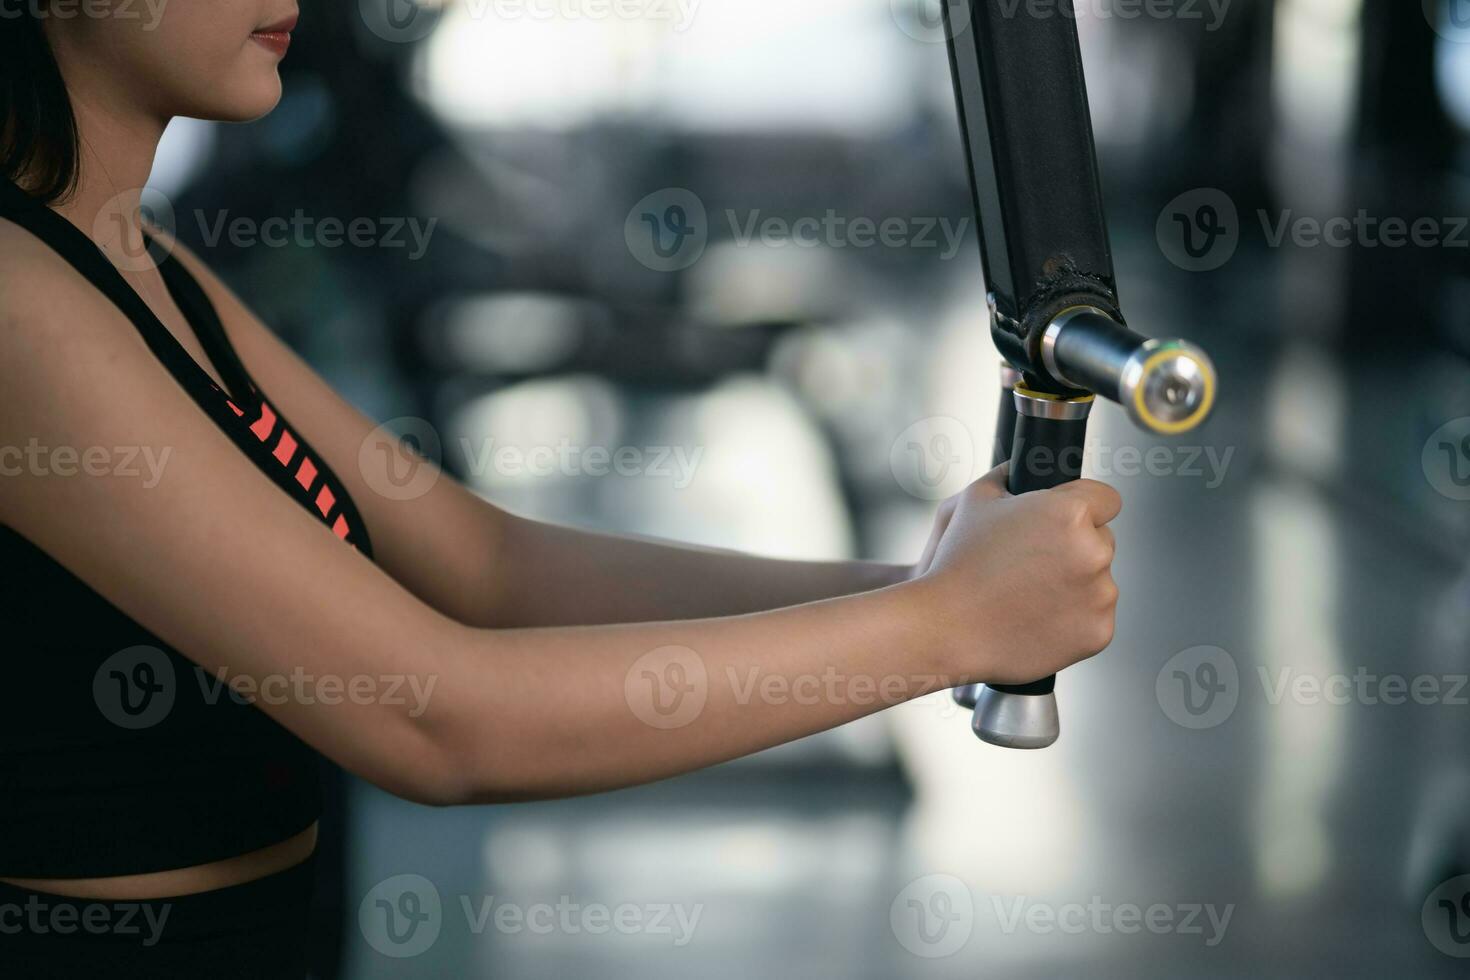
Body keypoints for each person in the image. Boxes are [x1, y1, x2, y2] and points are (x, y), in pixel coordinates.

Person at [0, 4, 1120, 976]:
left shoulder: (141, 259)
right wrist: (942, 626)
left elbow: (490, 567)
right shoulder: (19, 300)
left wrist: (926, 586)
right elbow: (437, 718)